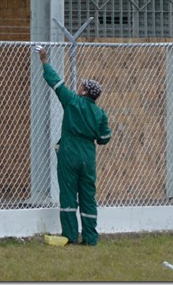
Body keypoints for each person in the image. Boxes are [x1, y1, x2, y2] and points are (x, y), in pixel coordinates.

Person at [36, 45, 112, 245]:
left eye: (81, 86)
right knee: (88, 196)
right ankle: (90, 238)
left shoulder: (72, 102)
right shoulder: (100, 114)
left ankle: (70, 235)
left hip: (69, 153)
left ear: (85, 91)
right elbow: (105, 139)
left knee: (69, 195)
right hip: (88, 156)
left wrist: (44, 60)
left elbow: (56, 82)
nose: (78, 87)